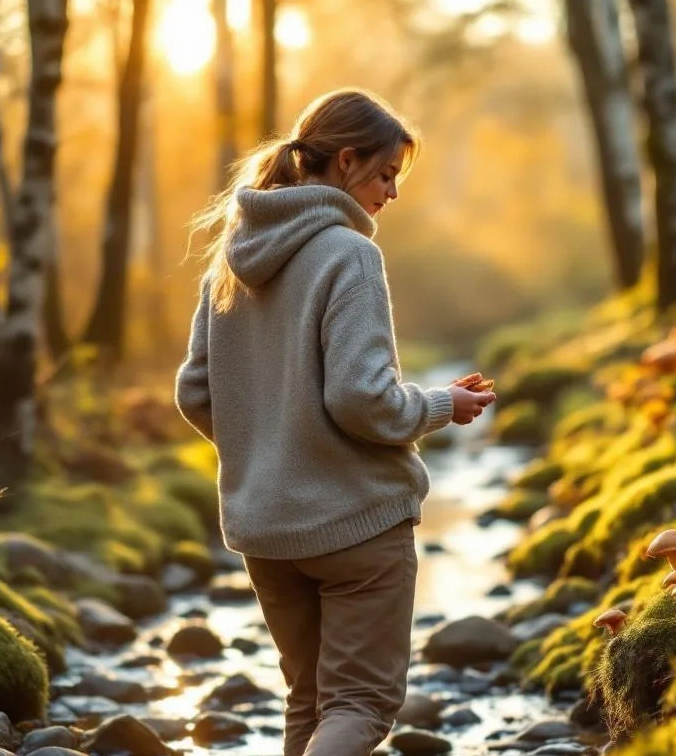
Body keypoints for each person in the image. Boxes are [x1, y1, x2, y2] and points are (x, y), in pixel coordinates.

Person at [174, 88, 496, 756]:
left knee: (310, 703)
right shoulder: (350, 255)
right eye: (385, 175)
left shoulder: (229, 261)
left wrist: (269, 450)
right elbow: (361, 399)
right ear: (346, 161)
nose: (391, 193)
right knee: (360, 707)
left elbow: (195, 392)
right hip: (356, 525)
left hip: (265, 532)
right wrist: (441, 405)